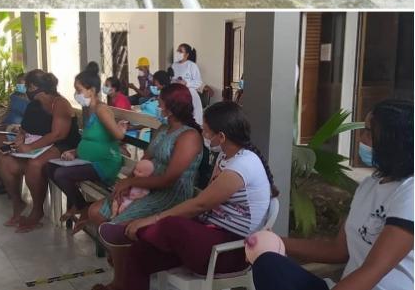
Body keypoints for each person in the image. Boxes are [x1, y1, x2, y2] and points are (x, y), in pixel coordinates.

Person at [107, 101, 278, 290]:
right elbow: (205, 204)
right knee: (139, 254)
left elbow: (200, 204)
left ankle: (131, 231)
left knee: (172, 225)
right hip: (209, 234)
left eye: (206, 131)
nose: (203, 134)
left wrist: (150, 220)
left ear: (221, 136)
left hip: (231, 251)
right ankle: (136, 234)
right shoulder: (225, 156)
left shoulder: (243, 165)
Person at [251, 98, 413, 290]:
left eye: (368, 132)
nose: (360, 138)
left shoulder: (409, 192)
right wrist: (273, 241)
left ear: (393, 142)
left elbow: (373, 269)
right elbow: (338, 250)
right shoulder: (369, 185)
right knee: (269, 264)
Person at [86, 82, 205, 290]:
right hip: (145, 187)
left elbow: (169, 179)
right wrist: (127, 183)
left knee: (117, 227)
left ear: (171, 108)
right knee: (96, 211)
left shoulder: (189, 136)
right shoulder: (163, 129)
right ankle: (122, 261)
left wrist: (132, 182)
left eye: (161, 103)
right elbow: (146, 159)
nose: (158, 106)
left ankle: (120, 282)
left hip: (169, 195)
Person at [0, 69, 81, 233]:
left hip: (63, 145)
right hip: (38, 144)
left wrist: (30, 147)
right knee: (5, 161)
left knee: (35, 165)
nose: (25, 90)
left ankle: (37, 210)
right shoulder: (34, 104)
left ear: (34, 87)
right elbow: (25, 127)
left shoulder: (60, 103)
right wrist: (20, 137)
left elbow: (59, 134)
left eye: (27, 86)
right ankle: (17, 203)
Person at [50, 63, 127, 233]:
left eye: (78, 90)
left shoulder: (101, 110)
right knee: (50, 168)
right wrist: (75, 152)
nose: (76, 94)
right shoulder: (90, 110)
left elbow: (118, 135)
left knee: (61, 174)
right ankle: (81, 206)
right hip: (89, 160)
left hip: (104, 163)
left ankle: (82, 207)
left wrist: (121, 129)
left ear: (91, 91)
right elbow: (91, 139)